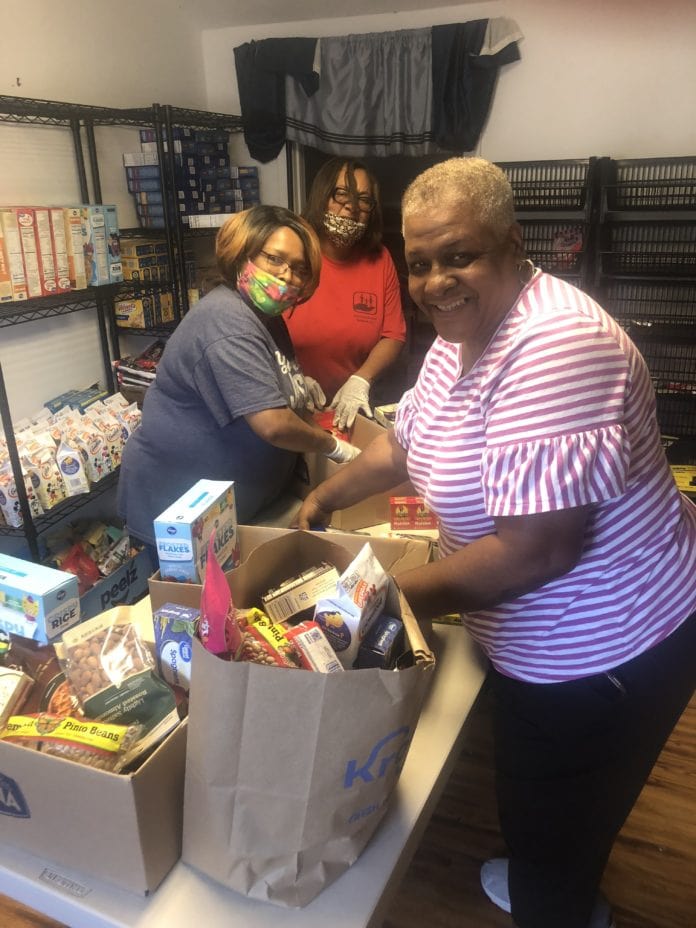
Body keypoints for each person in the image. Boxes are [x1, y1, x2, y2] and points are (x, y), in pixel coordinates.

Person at [295, 158, 696, 928]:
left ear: (514, 245)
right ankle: (551, 871)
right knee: (535, 798)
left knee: (558, 826)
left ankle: (560, 904)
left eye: (459, 256)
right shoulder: (460, 336)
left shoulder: (555, 349)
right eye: (418, 263)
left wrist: (364, 598)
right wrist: (323, 493)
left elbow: (534, 553)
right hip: (538, 642)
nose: (436, 281)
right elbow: (405, 442)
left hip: (606, 652)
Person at [117, 204, 360, 552]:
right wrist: (331, 446)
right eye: (274, 259)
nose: (287, 276)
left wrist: (297, 392)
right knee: (183, 605)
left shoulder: (265, 314)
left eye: (299, 269)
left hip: (239, 508)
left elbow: (274, 387)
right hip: (178, 514)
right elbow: (273, 424)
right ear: (243, 253)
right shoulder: (227, 320)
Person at [284, 157, 407, 430]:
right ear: (322, 196)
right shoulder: (292, 254)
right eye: (341, 194)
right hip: (287, 406)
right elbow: (258, 329)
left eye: (364, 199)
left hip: (349, 411)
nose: (351, 207)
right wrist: (289, 376)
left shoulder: (380, 259)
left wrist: (361, 380)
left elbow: (393, 334)